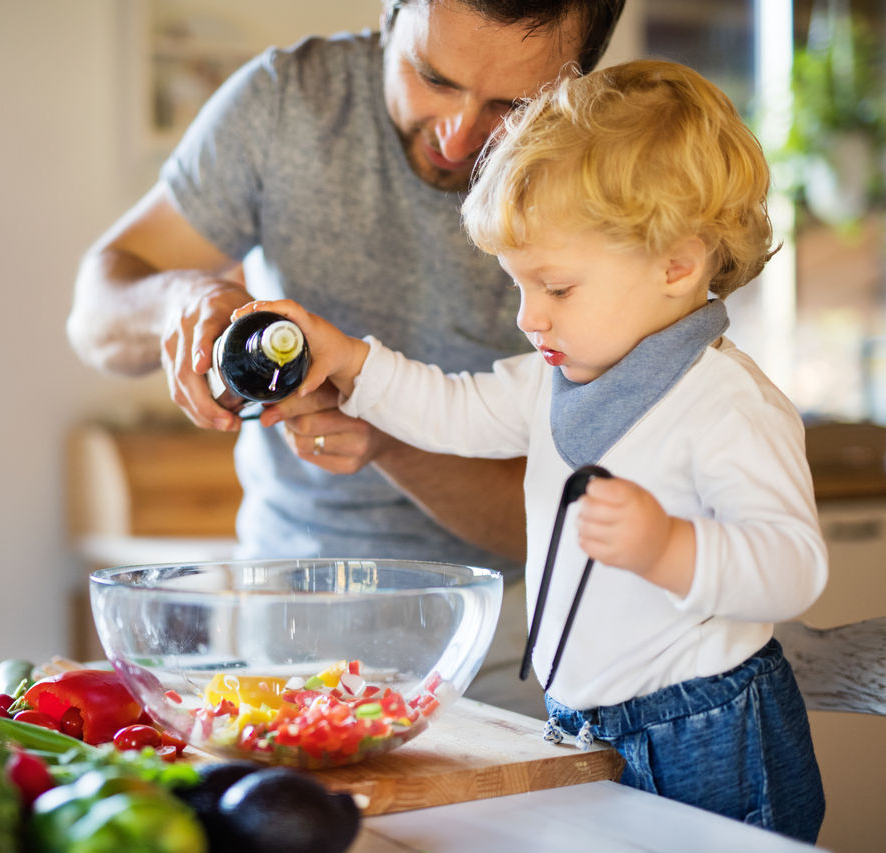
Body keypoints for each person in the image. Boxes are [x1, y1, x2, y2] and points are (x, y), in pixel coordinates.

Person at [235, 59, 828, 841]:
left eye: (556, 286)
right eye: (519, 285)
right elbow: (452, 407)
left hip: (707, 730)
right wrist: (351, 361)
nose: (527, 316)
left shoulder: (727, 404)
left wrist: (670, 547)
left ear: (678, 265)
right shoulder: (555, 378)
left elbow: (795, 567)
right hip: (584, 723)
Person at [66, 0, 626, 718]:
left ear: (579, 80)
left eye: (512, 106)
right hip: (281, 613)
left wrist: (387, 433)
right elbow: (94, 314)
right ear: (391, 15)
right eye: (433, 77)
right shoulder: (286, 103)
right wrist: (179, 300)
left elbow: (564, 521)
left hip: (514, 633)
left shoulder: (606, 173)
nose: (458, 137)